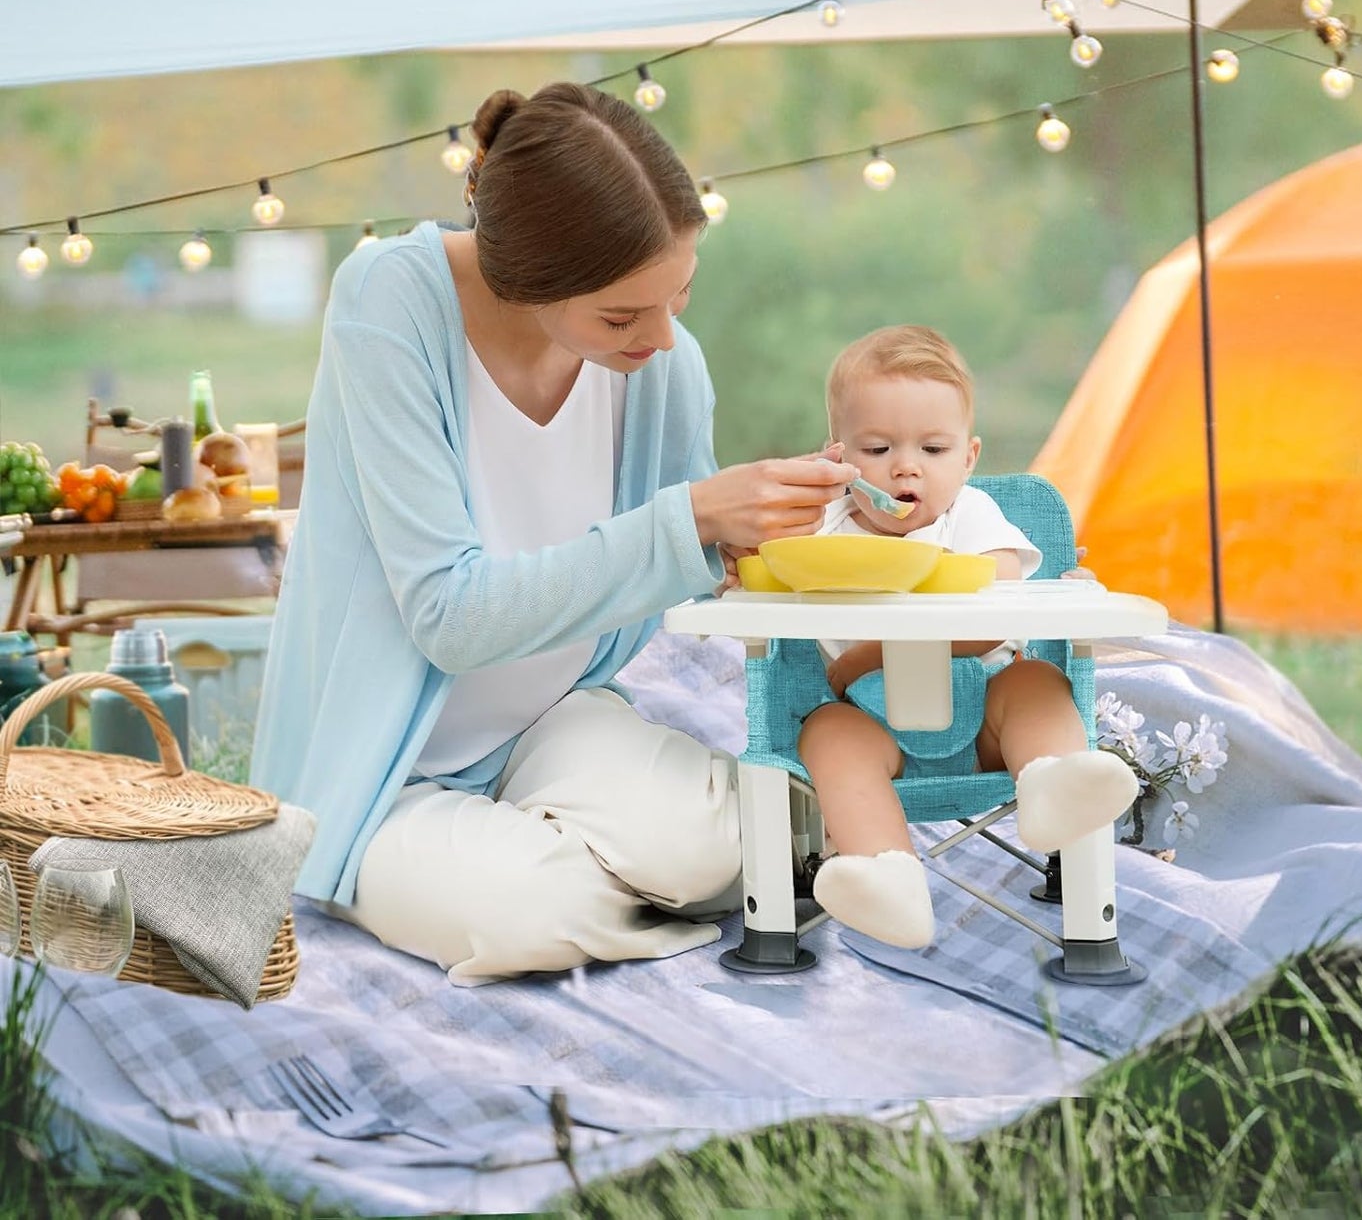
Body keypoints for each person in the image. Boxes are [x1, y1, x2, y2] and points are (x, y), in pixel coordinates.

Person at [249, 82, 858, 985]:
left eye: (678, 296)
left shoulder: (662, 366)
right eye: (620, 316)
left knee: (738, 834)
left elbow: (667, 574)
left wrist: (756, 544)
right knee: (527, 911)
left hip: (553, 722)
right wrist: (689, 518)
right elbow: (448, 616)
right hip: (389, 764)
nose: (659, 337)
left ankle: (585, 866)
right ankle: (560, 876)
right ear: (525, 278)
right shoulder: (390, 301)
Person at [796, 325, 1137, 950]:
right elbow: (769, 577)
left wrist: (868, 654)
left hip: (986, 724)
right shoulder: (824, 532)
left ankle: (1050, 783)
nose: (905, 466)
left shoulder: (971, 515)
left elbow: (995, 608)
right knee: (826, 732)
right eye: (876, 448)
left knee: (1035, 679)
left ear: (968, 458)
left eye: (932, 448)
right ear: (839, 457)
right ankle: (886, 877)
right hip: (877, 734)